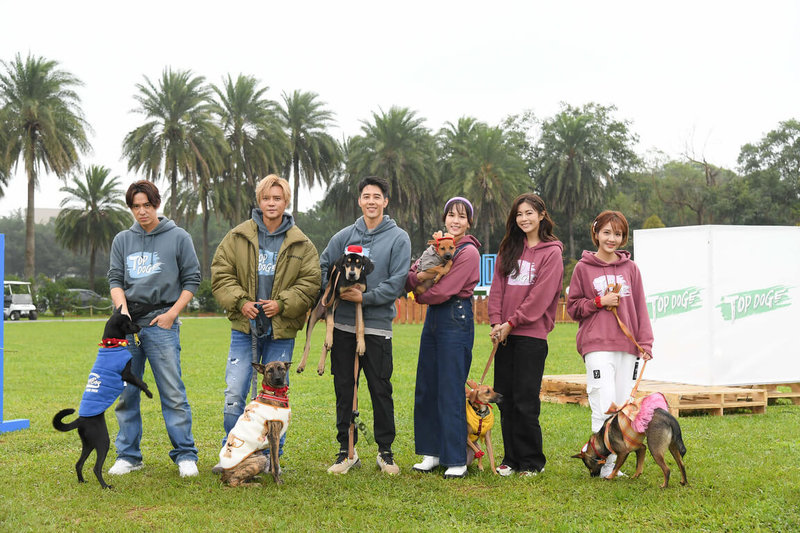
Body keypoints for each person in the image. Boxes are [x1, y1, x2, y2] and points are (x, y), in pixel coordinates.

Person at [210, 174, 320, 473]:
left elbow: (310, 282)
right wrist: (241, 301)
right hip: (245, 330)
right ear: (258, 201)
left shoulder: (302, 243)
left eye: (278, 198)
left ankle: (273, 459)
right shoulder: (237, 237)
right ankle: (232, 454)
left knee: (276, 398)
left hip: (280, 331)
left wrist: (282, 303)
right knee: (235, 393)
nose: (272, 203)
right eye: (266, 198)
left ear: (286, 202)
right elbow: (221, 274)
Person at [107, 180, 202, 478]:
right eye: (136, 206)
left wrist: (172, 315)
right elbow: (115, 280)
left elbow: (192, 280)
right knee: (126, 392)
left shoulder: (178, 237)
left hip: (161, 321)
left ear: (156, 204)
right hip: (126, 326)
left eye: (146, 205)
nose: (141, 211)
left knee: (172, 391)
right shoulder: (122, 239)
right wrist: (121, 312)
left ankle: (185, 454)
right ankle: (129, 455)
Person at [319, 176, 411, 475]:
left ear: (385, 201)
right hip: (343, 327)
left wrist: (365, 297)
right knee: (345, 390)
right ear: (359, 200)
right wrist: (333, 291)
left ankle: (385, 452)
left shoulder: (399, 238)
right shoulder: (345, 235)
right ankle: (347, 452)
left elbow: (397, 282)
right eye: (366, 196)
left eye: (377, 196)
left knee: (380, 390)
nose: (371, 201)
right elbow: (323, 265)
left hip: (378, 327)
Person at [566, 210, 653, 478]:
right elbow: (572, 308)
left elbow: (639, 306)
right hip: (597, 345)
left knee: (623, 407)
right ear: (596, 234)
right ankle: (602, 463)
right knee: (603, 402)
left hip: (628, 347)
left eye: (617, 234)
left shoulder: (631, 268)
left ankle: (613, 464)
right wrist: (598, 302)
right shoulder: (583, 268)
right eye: (606, 232)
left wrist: (646, 342)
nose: (611, 238)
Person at [488, 193, 563, 477]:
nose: (524, 219)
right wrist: (497, 322)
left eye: (529, 213)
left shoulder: (552, 252)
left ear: (542, 215)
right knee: (504, 398)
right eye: (519, 214)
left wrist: (512, 322)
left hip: (531, 335)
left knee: (525, 400)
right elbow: (497, 289)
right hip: (504, 334)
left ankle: (532, 461)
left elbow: (541, 296)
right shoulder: (508, 247)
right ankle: (510, 459)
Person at [406, 197, 480, 479]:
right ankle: (432, 452)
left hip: (455, 317)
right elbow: (412, 275)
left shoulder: (468, 252)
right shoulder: (436, 247)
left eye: (462, 216)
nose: (455, 220)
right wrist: (415, 285)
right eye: (451, 215)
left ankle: (456, 458)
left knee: (450, 388)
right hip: (434, 320)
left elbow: (446, 289)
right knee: (427, 384)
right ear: (445, 219)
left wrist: (418, 295)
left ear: (469, 222)